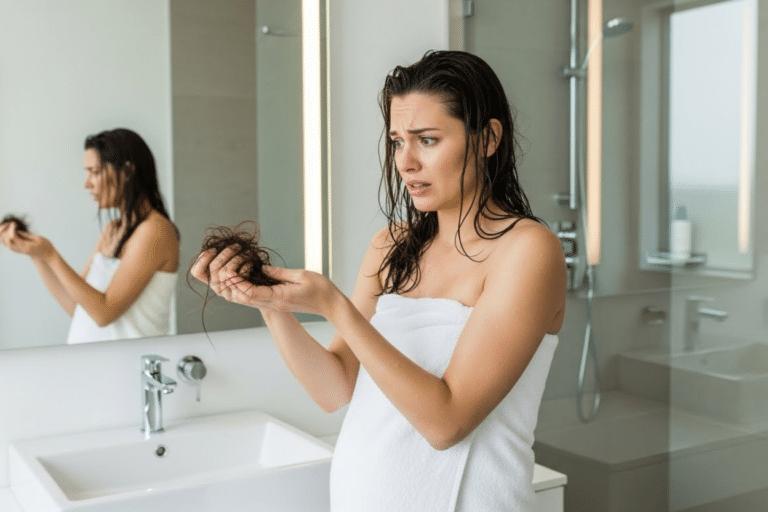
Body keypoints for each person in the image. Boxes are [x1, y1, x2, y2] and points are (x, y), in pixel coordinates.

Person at [191, 50, 566, 511]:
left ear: (487, 138)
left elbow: (446, 423)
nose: (405, 162)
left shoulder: (527, 251)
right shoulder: (391, 245)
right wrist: (271, 305)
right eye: (397, 142)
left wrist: (335, 307)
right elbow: (334, 389)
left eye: (427, 140)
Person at [0, 128, 180, 344]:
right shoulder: (113, 229)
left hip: (131, 362)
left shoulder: (155, 230)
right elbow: (77, 307)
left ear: (127, 171)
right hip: (93, 361)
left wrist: (50, 254)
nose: (87, 184)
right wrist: (36, 255)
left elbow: (104, 313)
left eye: (95, 172)